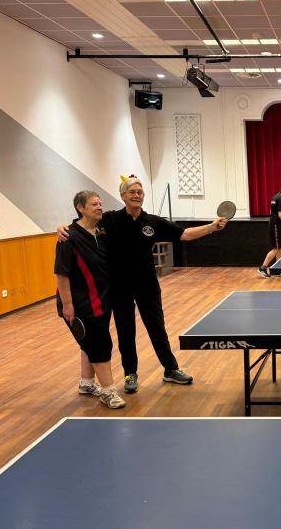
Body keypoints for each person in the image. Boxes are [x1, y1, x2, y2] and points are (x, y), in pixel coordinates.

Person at [57, 175, 227, 394]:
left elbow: (184, 234)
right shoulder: (109, 219)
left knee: (157, 328)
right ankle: (130, 374)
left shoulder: (153, 221)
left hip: (147, 285)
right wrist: (62, 228)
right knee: (125, 331)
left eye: (140, 192)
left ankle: (170, 368)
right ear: (123, 196)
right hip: (119, 287)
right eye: (132, 192)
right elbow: (83, 223)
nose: (136, 195)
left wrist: (211, 227)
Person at [55, 191, 125, 409]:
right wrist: (68, 305)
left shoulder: (101, 232)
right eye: (94, 204)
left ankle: (87, 383)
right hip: (81, 304)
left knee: (90, 342)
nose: (99, 207)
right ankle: (109, 391)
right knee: (100, 344)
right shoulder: (68, 238)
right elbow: (61, 274)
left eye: (100, 203)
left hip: (101, 300)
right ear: (80, 208)